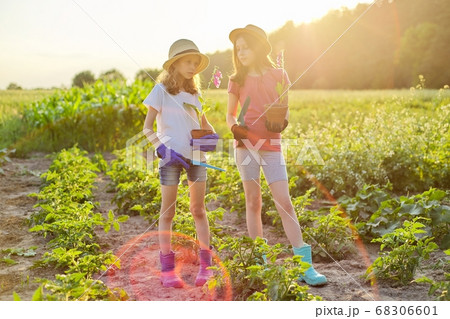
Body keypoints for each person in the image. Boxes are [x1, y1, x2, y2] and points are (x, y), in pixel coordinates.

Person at [226, 24, 327, 286]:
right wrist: (234, 128)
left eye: (246, 47)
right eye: (238, 49)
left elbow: (286, 110)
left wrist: (282, 123)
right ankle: (260, 260)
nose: (241, 52)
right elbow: (229, 114)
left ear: (259, 47)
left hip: (271, 146)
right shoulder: (236, 79)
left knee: (284, 201)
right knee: (253, 201)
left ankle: (305, 266)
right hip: (246, 146)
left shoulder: (279, 74)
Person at [142, 39, 219, 288]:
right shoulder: (161, 91)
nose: (193, 66)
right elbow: (146, 128)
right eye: (188, 61)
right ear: (175, 64)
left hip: (196, 158)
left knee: (198, 209)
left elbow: (205, 127)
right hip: (170, 160)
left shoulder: (196, 95)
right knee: (168, 212)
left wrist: (210, 136)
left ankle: (205, 267)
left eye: (196, 63)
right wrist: (162, 148)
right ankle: (167, 271)